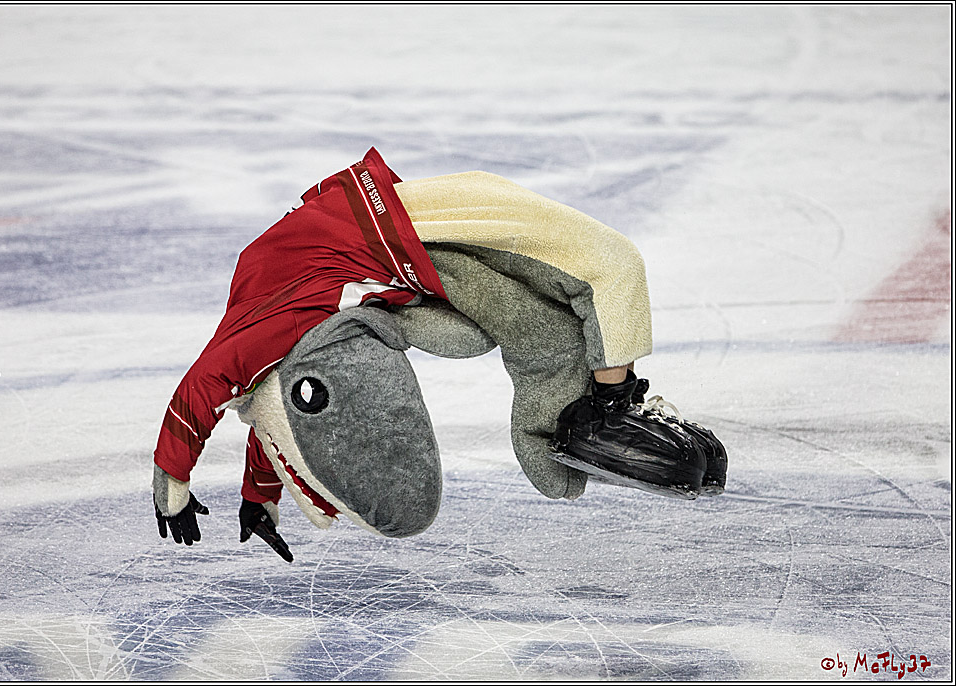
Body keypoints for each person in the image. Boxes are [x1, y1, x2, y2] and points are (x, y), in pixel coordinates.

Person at [152, 148, 726, 559]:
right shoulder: (286, 343)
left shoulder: (274, 327)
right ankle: (574, 420)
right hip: (395, 259)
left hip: (401, 227)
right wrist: (262, 495)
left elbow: (207, 387)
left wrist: (172, 487)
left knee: (609, 262)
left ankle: (608, 403)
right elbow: (285, 407)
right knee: (543, 330)